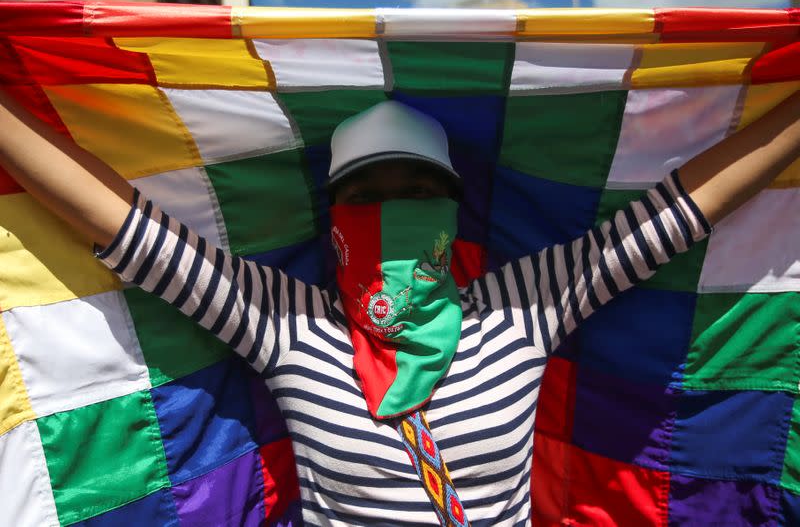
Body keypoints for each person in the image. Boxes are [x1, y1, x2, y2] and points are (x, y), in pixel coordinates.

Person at [1, 89, 799, 526]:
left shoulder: (525, 306)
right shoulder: (286, 323)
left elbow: (678, 213)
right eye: (368, 196)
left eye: (419, 196)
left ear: (452, 214)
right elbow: (125, 229)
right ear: (334, 216)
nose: (393, 216)